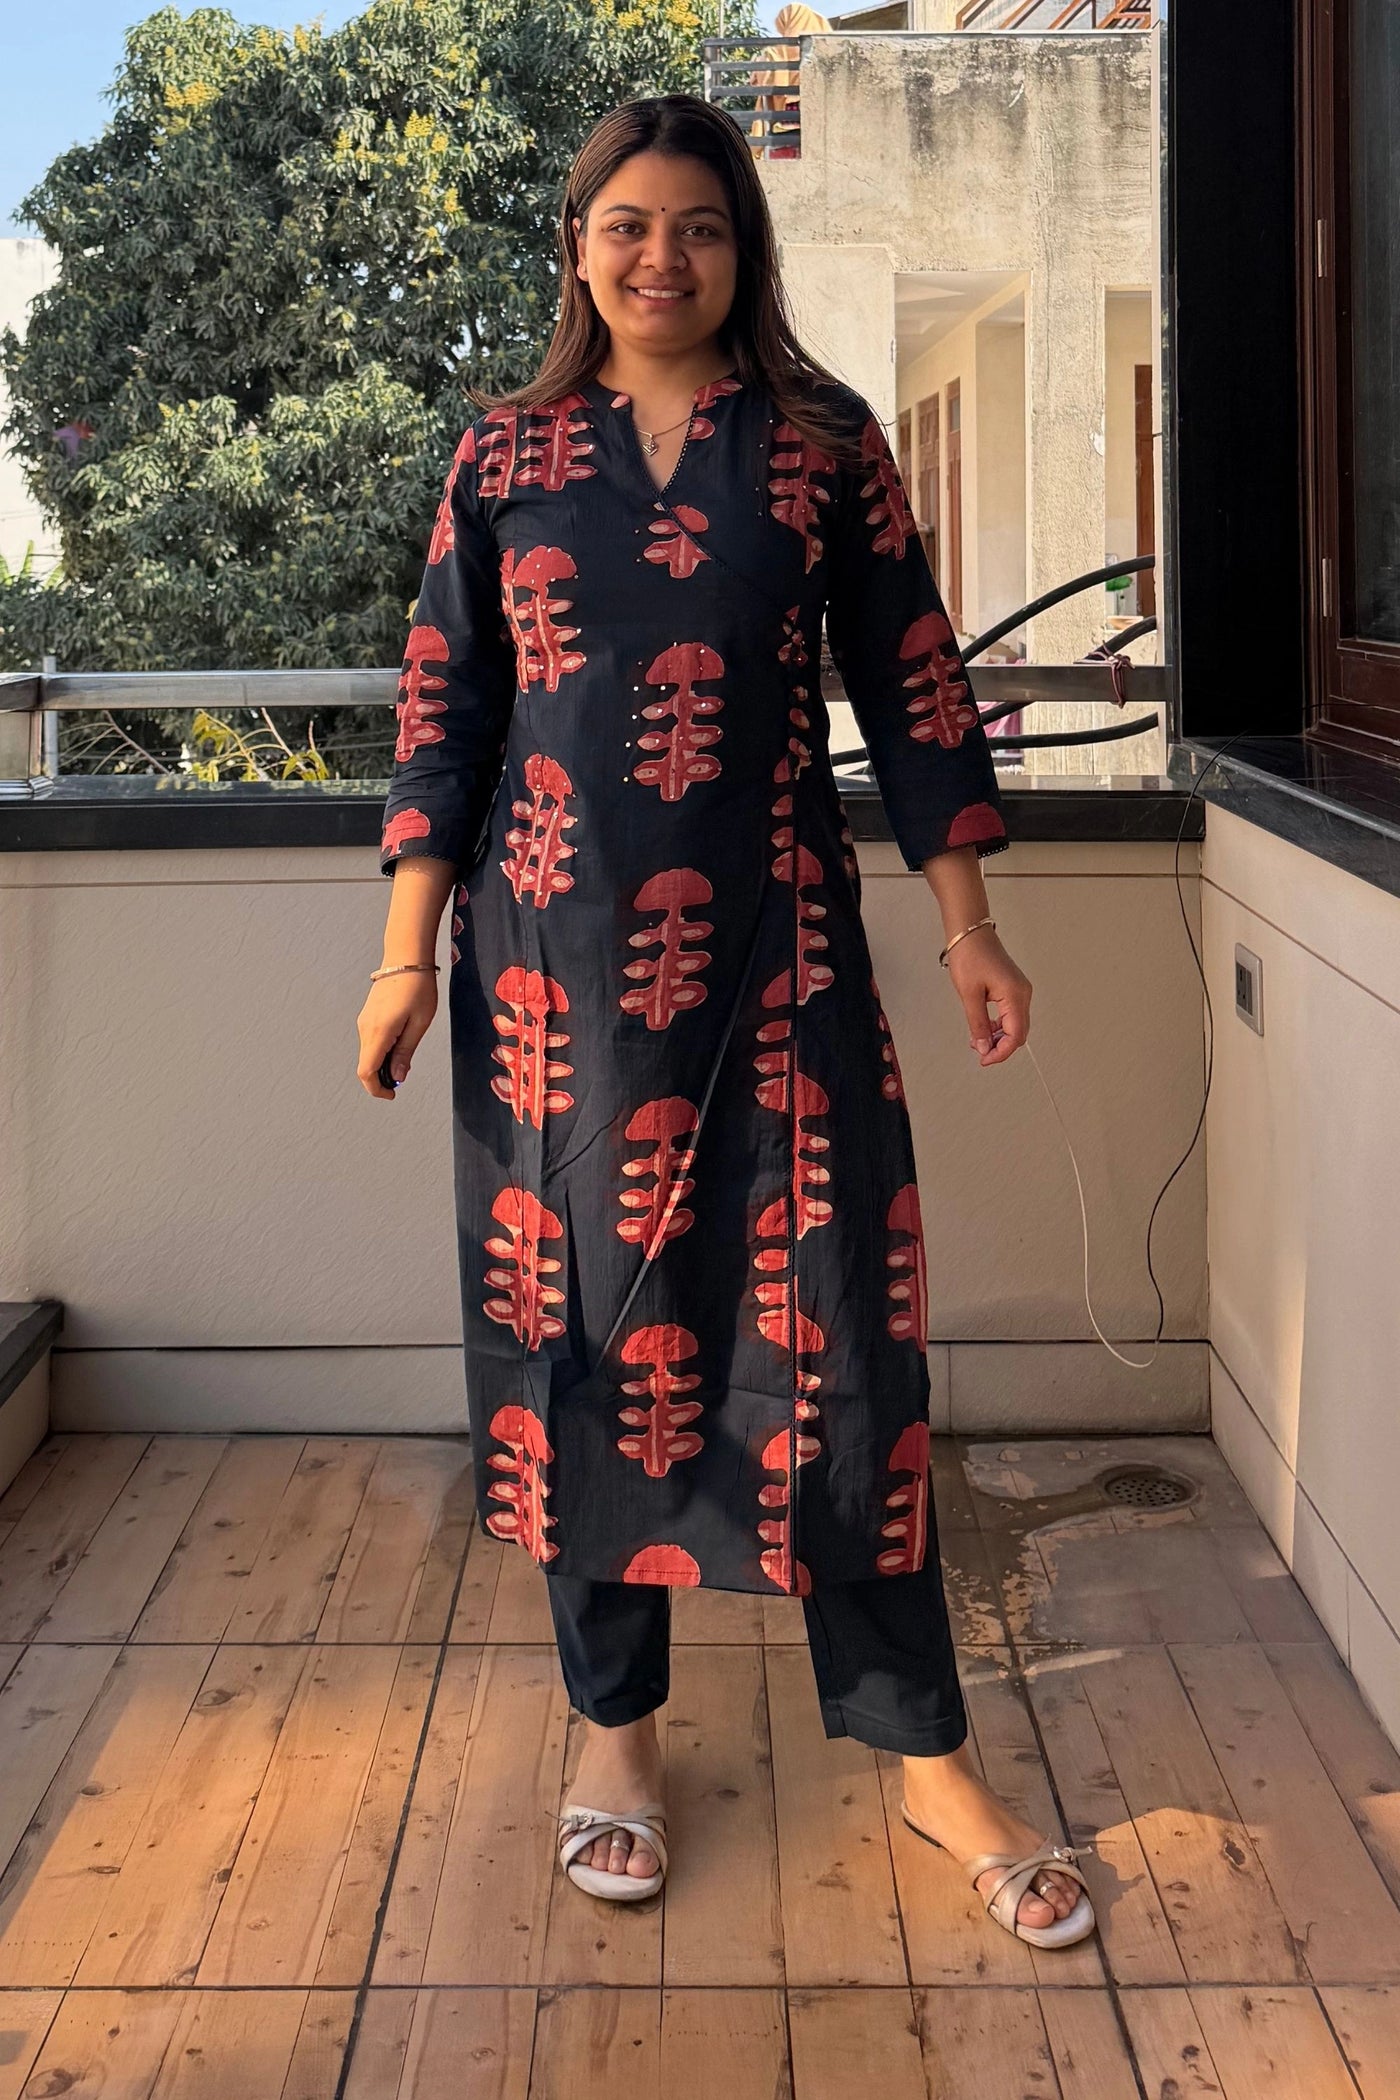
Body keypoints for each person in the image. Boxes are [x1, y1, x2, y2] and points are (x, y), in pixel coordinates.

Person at [357, 91, 1095, 1951]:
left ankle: (927, 1758)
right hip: (553, 986)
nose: (662, 256)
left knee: (842, 1347)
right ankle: (614, 1731)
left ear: (740, 251)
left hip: (783, 971)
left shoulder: (823, 444)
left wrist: (973, 927)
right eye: (628, 224)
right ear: (577, 246)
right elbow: (445, 710)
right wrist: (400, 954)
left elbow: (913, 686)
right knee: (581, 1346)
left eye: (699, 225)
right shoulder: (504, 455)